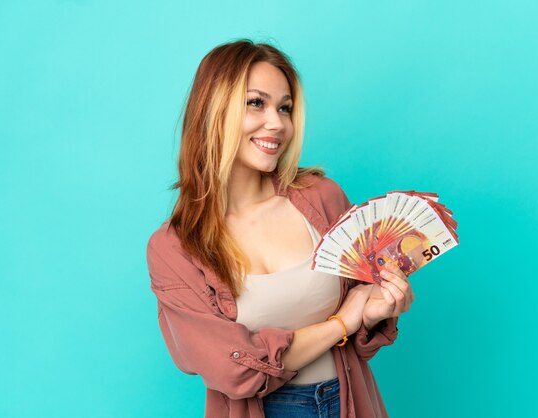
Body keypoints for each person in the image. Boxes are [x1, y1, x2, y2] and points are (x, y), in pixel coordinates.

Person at [145, 39, 415, 418]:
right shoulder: (173, 249)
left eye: (284, 108)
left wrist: (373, 313)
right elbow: (234, 369)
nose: (278, 123)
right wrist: (341, 322)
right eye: (256, 103)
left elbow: (363, 329)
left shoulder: (322, 198)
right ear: (213, 109)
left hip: (349, 402)